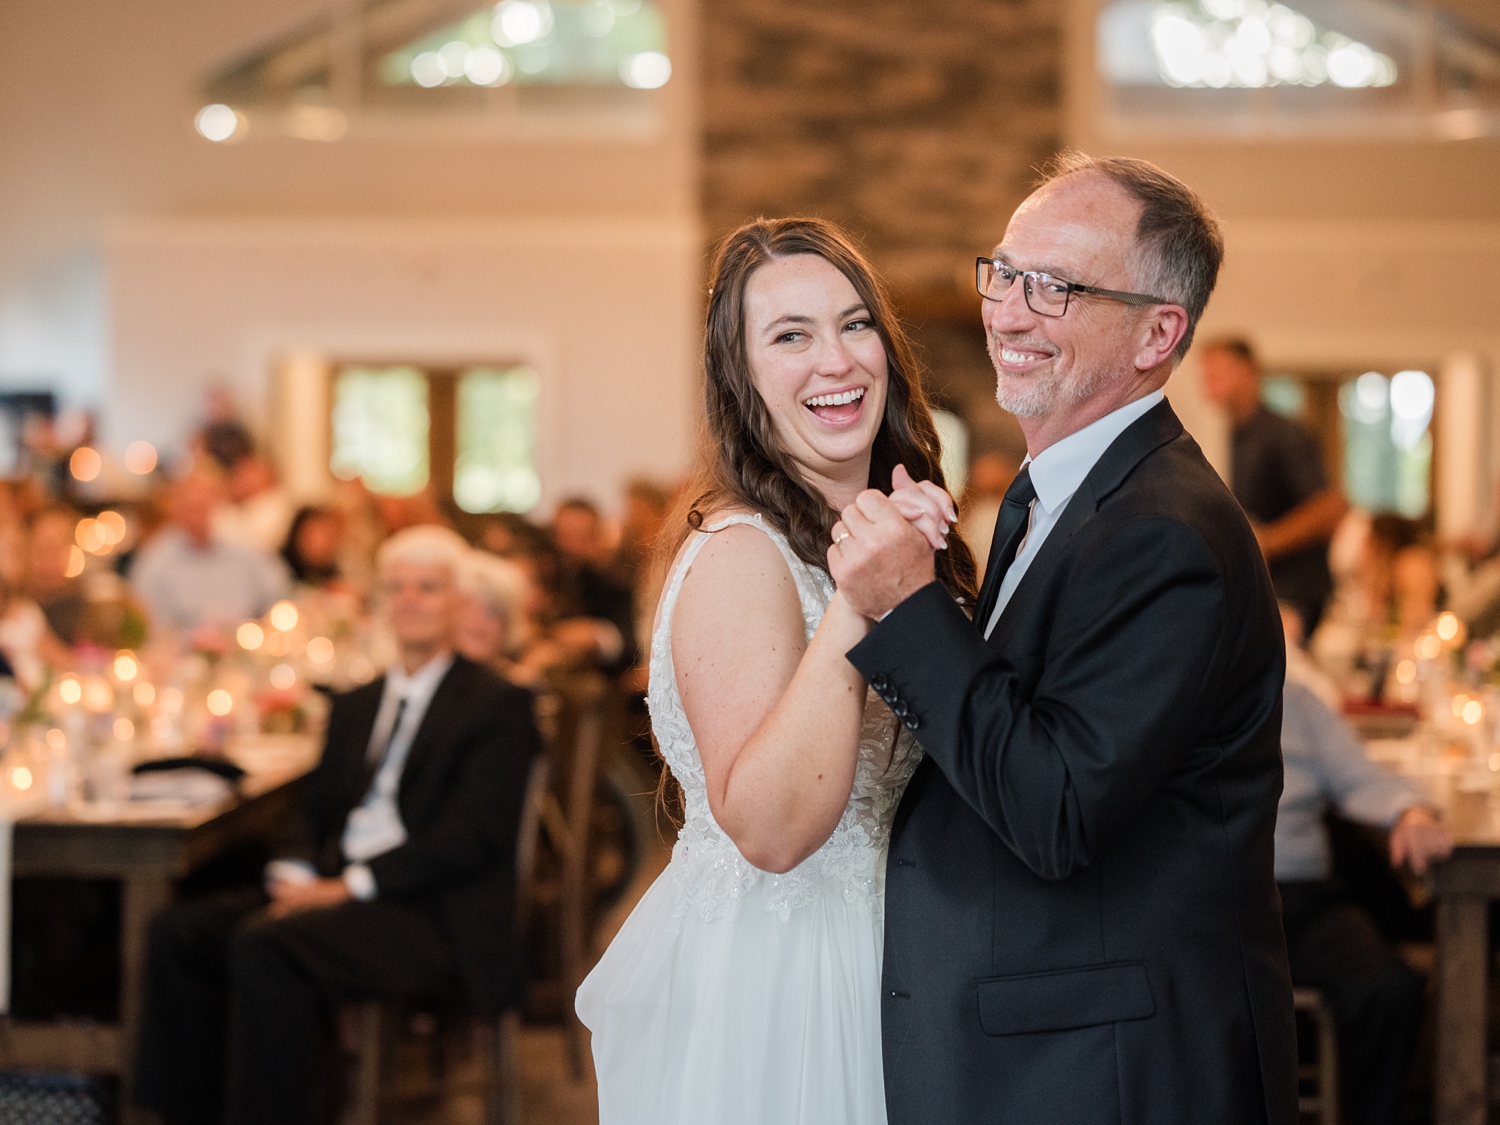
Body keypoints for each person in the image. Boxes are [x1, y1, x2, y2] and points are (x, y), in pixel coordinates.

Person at [829, 153, 1297, 1124]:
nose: (1007, 312)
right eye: (1002, 273)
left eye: (1056, 287)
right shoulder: (1056, 494)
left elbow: (1055, 808)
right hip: (1046, 1045)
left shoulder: (1167, 533)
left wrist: (913, 607)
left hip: (1111, 1066)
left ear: (1158, 332)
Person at [576, 217, 975, 1124]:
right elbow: (772, 828)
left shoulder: (891, 527)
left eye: (854, 323)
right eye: (790, 336)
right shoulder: (739, 555)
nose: (835, 360)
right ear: (742, 377)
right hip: (786, 982)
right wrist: (858, 599)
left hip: (897, 960)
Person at [132, 526, 540, 1125]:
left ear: (459, 604)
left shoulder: (494, 704)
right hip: (335, 886)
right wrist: (293, 871)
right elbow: (314, 810)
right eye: (395, 587)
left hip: (431, 912)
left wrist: (347, 888)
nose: (409, 600)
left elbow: (468, 838)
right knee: (177, 932)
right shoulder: (357, 703)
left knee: (263, 947)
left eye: (428, 588)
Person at [1277, 608, 1451, 1125]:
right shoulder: (1163, 694)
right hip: (1210, 903)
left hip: (1302, 899)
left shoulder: (1294, 695)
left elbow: (1361, 776)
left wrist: (1410, 810)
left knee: (1389, 990)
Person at [1201, 336, 1347, 633]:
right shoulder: (1233, 436)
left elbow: (1329, 508)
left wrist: (1265, 542)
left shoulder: (1282, 434)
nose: (1208, 382)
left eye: (1218, 372)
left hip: (1294, 591)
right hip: (1265, 587)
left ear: (1247, 371)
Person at [129, 473, 288, 633]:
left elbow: (279, 593)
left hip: (245, 644)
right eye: (190, 509)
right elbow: (148, 619)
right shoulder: (155, 561)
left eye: (203, 508)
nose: (197, 518)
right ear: (175, 510)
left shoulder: (245, 550)